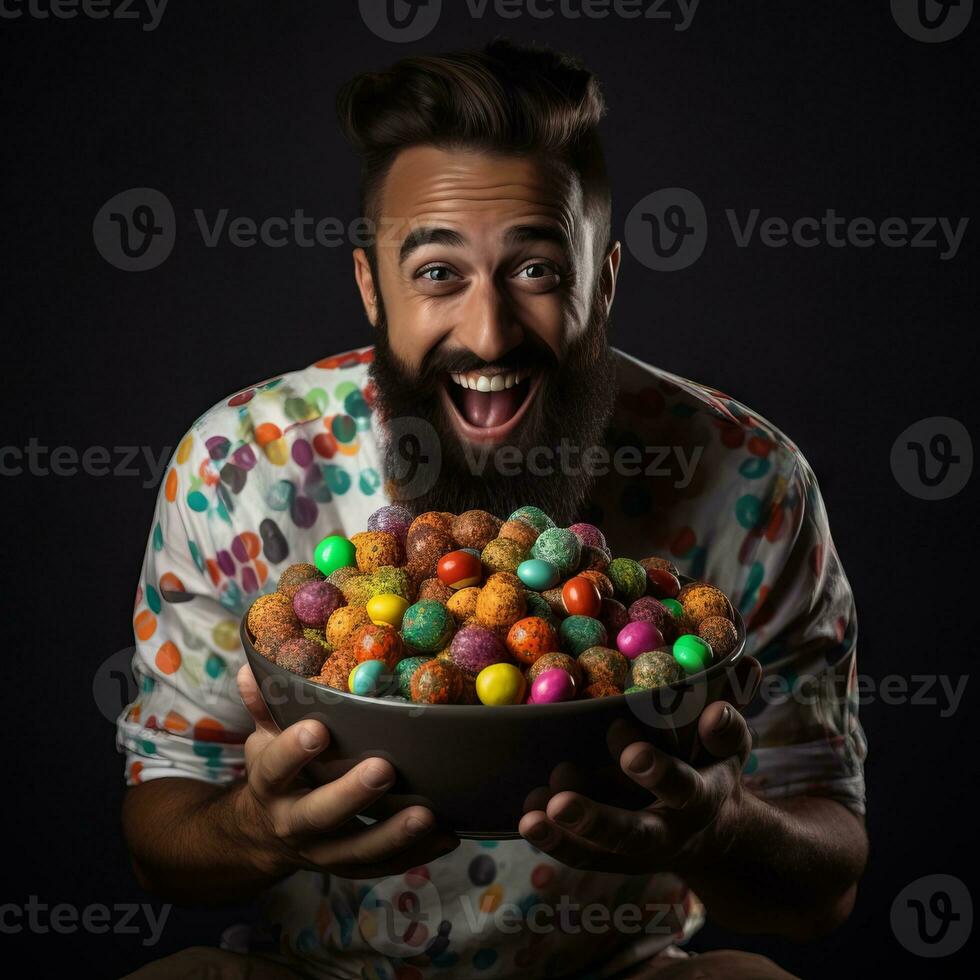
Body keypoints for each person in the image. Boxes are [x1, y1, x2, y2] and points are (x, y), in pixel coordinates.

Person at [118, 40, 867, 979]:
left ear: (605, 280)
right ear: (370, 287)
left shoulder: (752, 479)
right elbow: (160, 835)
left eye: (538, 270)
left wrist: (719, 828)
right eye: (437, 273)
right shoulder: (240, 464)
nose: (487, 333)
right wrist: (257, 831)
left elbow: (823, 890)